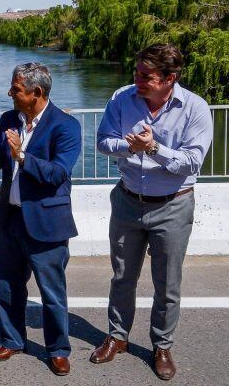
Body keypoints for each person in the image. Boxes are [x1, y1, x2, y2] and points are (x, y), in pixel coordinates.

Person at [92, 44, 213, 381]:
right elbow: (103, 141)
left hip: (173, 205)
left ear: (169, 79)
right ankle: (118, 337)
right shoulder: (122, 97)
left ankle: (162, 345)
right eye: (137, 72)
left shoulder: (195, 109)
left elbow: (191, 162)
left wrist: (155, 148)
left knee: (167, 283)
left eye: (146, 76)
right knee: (122, 276)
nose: (137, 80)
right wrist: (129, 146)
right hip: (128, 200)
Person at [0, 63, 81, 376]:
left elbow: (58, 174)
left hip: (47, 224)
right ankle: (13, 339)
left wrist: (22, 156)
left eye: (16, 90)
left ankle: (58, 349)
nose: (10, 93)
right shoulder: (8, 119)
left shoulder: (66, 126)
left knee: (52, 293)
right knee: (7, 287)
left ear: (37, 93)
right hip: (11, 219)